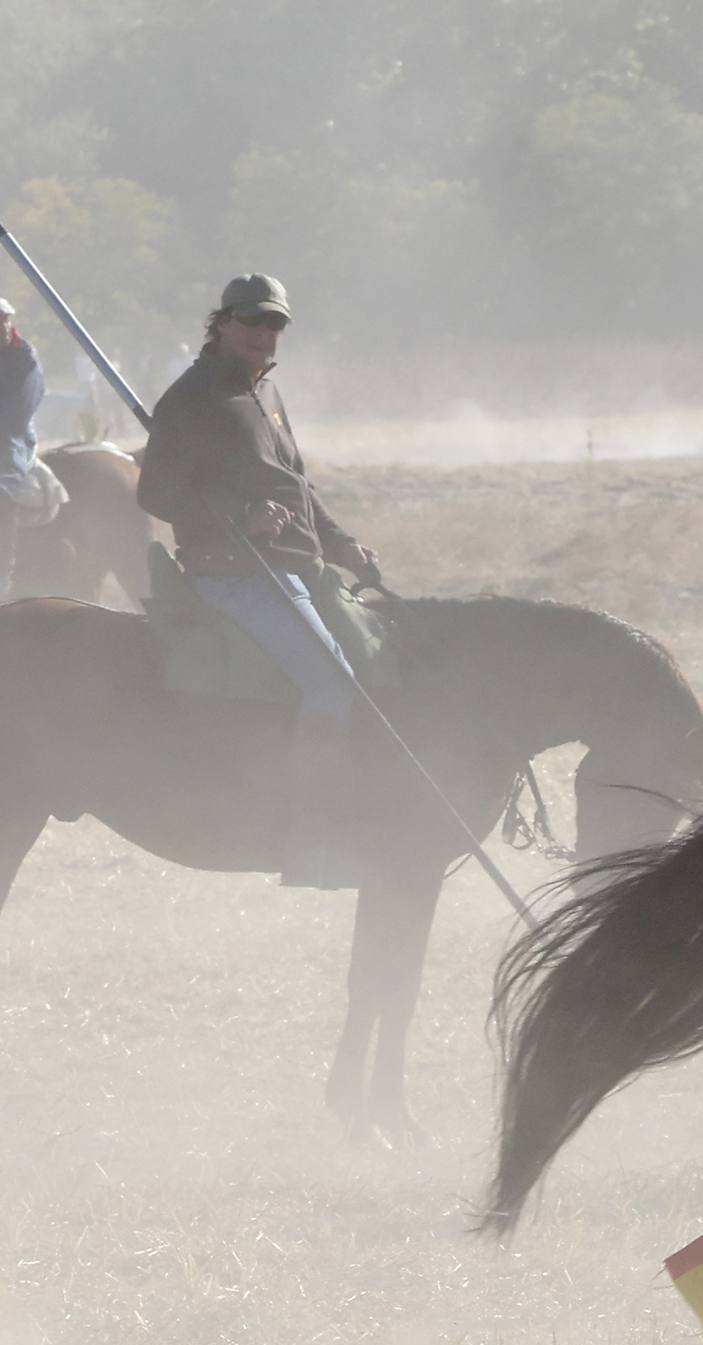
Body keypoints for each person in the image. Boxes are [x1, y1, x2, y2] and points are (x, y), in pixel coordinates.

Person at [137, 273, 383, 887]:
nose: (263, 333)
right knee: (331, 682)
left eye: (274, 323)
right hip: (239, 573)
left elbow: (294, 485)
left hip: (299, 564)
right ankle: (312, 843)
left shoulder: (264, 392)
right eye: (251, 321)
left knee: (384, 656)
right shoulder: (193, 398)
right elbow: (157, 491)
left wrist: (339, 541)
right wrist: (236, 522)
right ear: (220, 324)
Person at [0, 297, 43, 600]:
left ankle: (2, 580)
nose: (2, 325)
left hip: (10, 440)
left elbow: (18, 413)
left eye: (3, 319)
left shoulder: (24, 357)